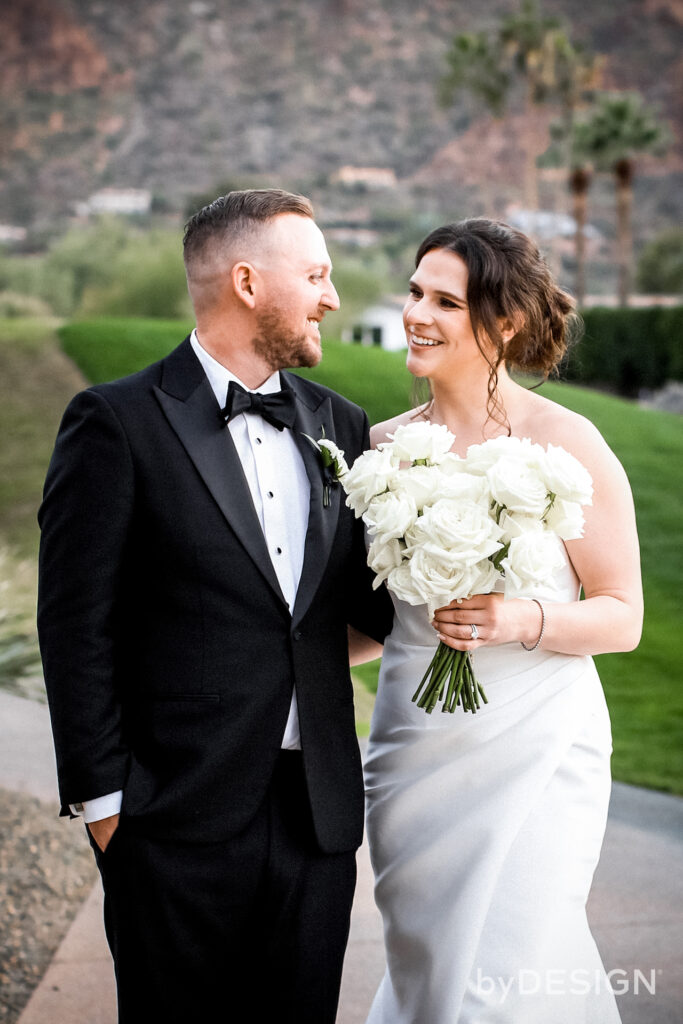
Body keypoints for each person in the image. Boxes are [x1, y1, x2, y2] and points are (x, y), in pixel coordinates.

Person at [37, 188, 392, 1024]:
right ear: (245, 281)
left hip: (316, 820)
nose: (331, 297)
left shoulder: (341, 425)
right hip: (169, 819)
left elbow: (357, 613)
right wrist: (106, 808)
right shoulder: (116, 422)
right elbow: (74, 623)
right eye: (315, 275)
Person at [363, 218, 643, 1023]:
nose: (416, 312)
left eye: (444, 301)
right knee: (429, 966)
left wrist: (522, 616)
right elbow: (369, 620)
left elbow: (621, 616)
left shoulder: (565, 444)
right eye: (415, 292)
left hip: (537, 743)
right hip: (414, 746)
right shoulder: (383, 453)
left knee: (510, 967)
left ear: (505, 323)